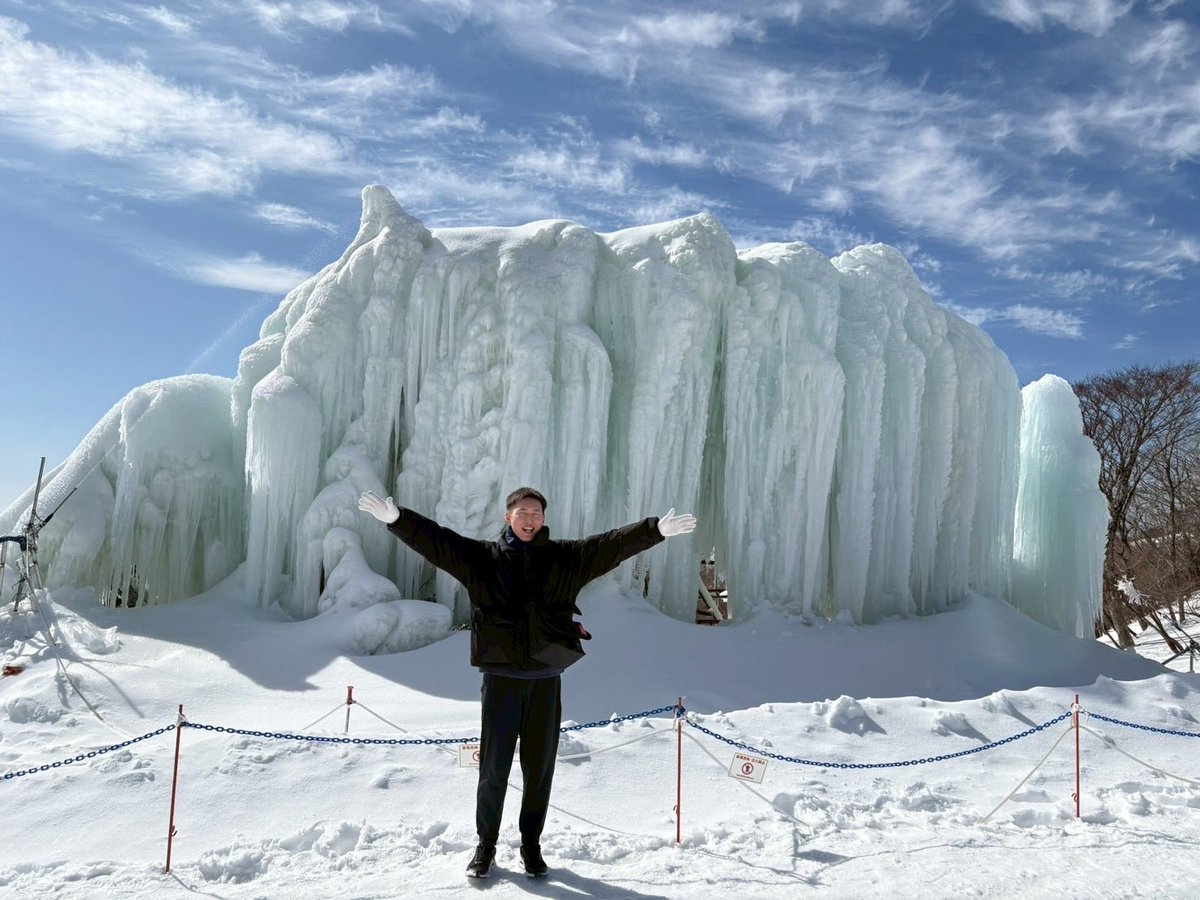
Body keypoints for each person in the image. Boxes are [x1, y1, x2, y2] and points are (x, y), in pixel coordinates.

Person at [358, 486, 696, 879]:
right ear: (508, 517)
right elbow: (438, 542)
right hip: (500, 681)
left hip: (545, 681)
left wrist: (655, 530)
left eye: (536, 513)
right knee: (494, 769)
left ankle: (531, 846)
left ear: (543, 518)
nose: (530, 519)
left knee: (539, 770)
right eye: (523, 512)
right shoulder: (482, 559)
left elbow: (611, 546)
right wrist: (398, 520)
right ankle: (486, 845)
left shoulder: (566, 559)